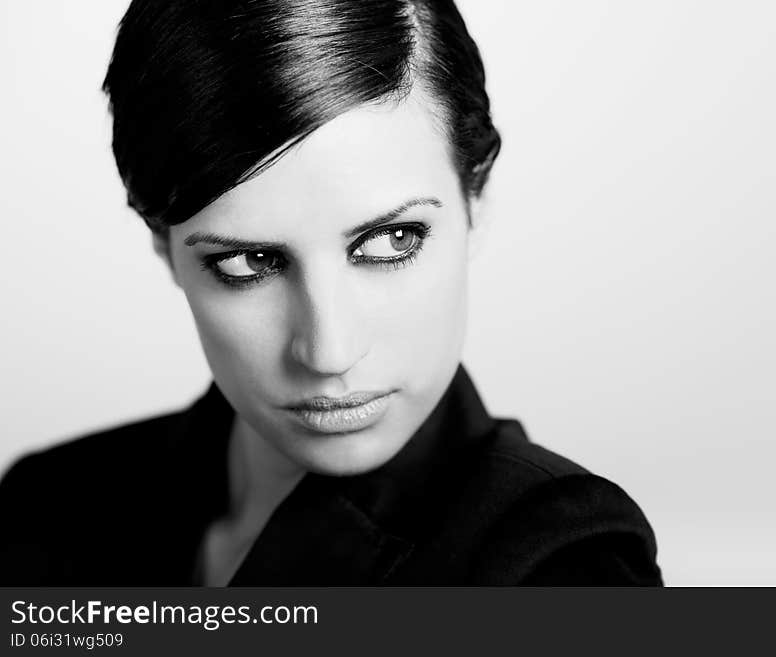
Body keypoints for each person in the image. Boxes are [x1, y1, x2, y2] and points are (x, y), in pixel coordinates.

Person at [0, 0, 662, 586]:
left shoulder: (560, 567)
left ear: (475, 202)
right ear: (162, 245)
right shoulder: (45, 504)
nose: (328, 350)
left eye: (391, 242)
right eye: (248, 261)